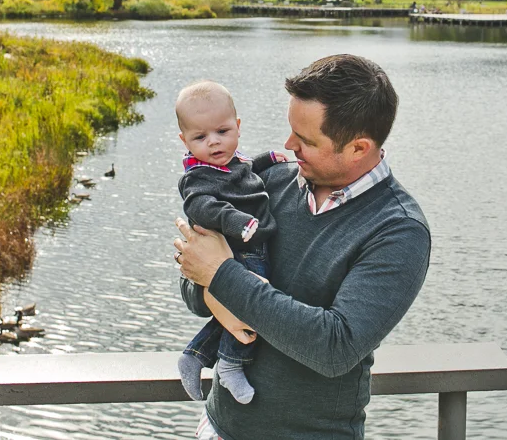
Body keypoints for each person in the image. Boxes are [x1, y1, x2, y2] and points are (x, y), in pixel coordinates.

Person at [173, 54, 431, 440]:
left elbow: (335, 348)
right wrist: (212, 291)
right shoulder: (268, 181)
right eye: (292, 129)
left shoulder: (398, 230)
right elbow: (194, 285)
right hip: (220, 427)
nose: (288, 144)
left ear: (358, 148)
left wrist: (221, 277)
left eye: (306, 140)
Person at [174, 81, 285, 405]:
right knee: (252, 304)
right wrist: (237, 221)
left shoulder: (232, 161)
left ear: (237, 127)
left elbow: (247, 172)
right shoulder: (197, 176)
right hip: (235, 249)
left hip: (252, 244)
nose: (213, 142)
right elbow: (201, 206)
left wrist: (267, 159)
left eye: (222, 131)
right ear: (185, 141)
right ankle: (231, 364)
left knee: (242, 307)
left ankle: (195, 355)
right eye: (200, 137)